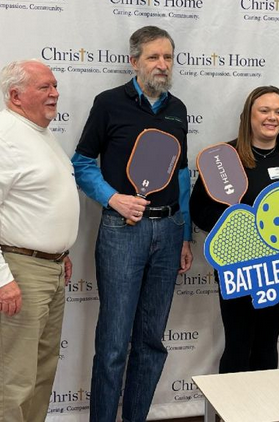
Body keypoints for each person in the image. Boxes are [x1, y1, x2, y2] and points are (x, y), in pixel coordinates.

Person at [71, 26, 193, 422]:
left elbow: (181, 174)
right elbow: (83, 163)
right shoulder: (108, 103)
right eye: (154, 57)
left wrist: (185, 234)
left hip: (169, 231)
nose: (162, 65)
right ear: (134, 61)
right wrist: (113, 198)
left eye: (168, 57)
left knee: (151, 342)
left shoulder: (179, 109)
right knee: (112, 344)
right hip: (122, 234)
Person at [0, 60, 79, 422]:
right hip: (17, 271)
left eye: (55, 85)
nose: (55, 93)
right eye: (44, 87)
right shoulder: (0, 138)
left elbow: (37, 201)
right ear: (15, 95)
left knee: (41, 374)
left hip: (49, 268)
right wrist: (1, 279)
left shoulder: (38, 132)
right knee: (15, 380)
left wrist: (59, 251)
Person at [190, 85, 279, 373]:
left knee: (267, 342)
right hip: (238, 267)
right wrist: (240, 227)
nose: (272, 117)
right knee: (238, 342)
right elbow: (200, 211)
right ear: (249, 115)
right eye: (265, 110)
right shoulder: (224, 157)